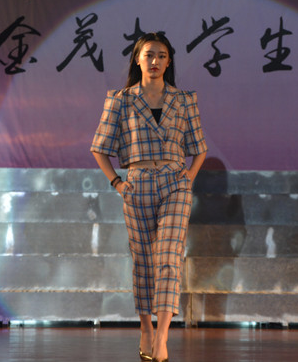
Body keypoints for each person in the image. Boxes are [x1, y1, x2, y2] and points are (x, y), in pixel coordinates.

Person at [91, 32, 207, 362]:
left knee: (169, 256)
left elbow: (198, 148)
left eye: (161, 55)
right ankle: (146, 328)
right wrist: (117, 182)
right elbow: (99, 147)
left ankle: (163, 337)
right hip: (137, 183)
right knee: (143, 260)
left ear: (169, 62)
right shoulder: (120, 99)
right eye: (149, 55)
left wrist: (188, 178)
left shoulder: (184, 99)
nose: (155, 61)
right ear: (137, 59)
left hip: (174, 183)